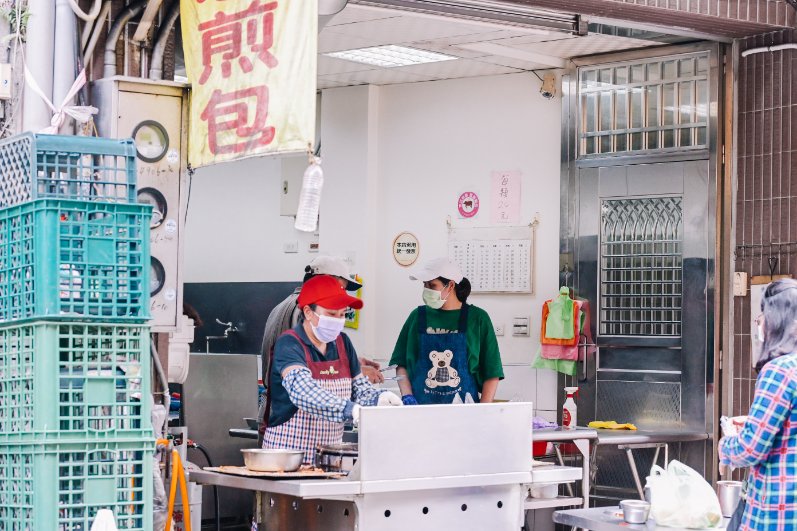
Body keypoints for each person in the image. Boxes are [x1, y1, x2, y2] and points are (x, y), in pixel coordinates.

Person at [262, 275, 402, 463]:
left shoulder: (343, 343)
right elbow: (304, 392)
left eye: (342, 314)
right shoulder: (289, 343)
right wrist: (350, 409)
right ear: (309, 312)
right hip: (287, 456)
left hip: (329, 457)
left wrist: (379, 398)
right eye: (331, 314)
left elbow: (360, 389)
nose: (338, 320)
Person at [719, 278, 797, 530]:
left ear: (776, 321)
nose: (759, 322)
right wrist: (754, 422)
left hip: (778, 507)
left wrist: (725, 446)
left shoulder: (780, 370)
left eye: (762, 315)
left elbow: (751, 448)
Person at [390, 257, 504, 405]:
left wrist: (483, 412)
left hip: (465, 413)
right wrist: (407, 395)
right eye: (425, 285)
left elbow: (492, 372)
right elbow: (400, 364)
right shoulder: (417, 317)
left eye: (432, 285)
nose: (427, 290)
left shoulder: (478, 318)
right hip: (421, 410)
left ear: (450, 285)